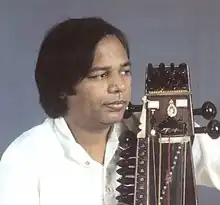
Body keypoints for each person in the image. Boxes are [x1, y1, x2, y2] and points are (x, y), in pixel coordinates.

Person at [0, 17, 219, 205]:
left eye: (124, 71)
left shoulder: (163, 131)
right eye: (100, 75)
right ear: (63, 87)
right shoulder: (25, 159)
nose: (119, 86)